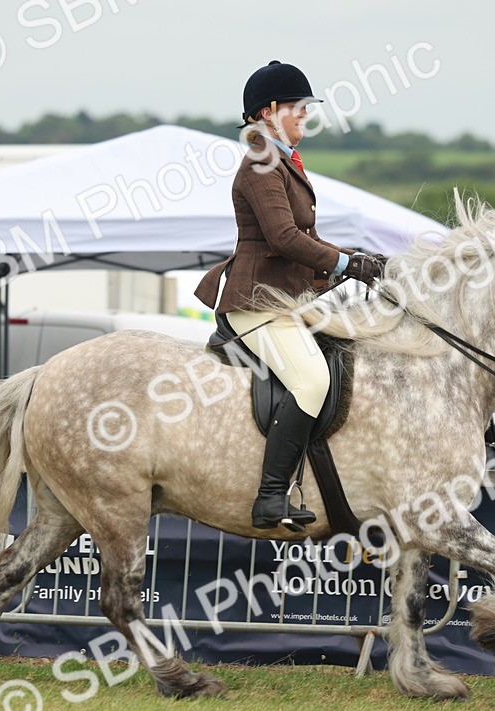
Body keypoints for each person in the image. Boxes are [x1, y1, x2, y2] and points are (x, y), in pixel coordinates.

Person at [195, 61, 385, 531]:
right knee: (312, 381)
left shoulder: (282, 161)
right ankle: (270, 496)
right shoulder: (261, 162)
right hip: (256, 306)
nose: (305, 115)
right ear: (268, 111)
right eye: (297, 108)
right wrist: (346, 263)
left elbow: (304, 238)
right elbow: (282, 236)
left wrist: (357, 261)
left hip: (287, 303)